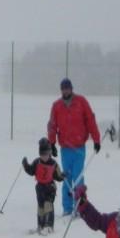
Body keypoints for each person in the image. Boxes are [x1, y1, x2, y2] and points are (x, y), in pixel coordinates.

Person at [47, 77, 101, 216]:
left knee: (78, 178)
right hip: (65, 148)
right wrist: (51, 143)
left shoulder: (81, 102)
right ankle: (67, 208)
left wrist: (96, 139)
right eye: (63, 89)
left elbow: (90, 120)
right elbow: (52, 125)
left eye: (68, 88)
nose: (66, 91)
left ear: (71, 88)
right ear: (61, 91)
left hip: (79, 147)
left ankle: (80, 207)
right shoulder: (56, 106)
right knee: (66, 178)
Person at [22, 137, 65, 234]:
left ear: (49, 153)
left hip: (50, 187)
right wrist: (25, 165)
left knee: (48, 205)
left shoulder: (53, 164)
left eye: (46, 154)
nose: (44, 157)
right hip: (40, 188)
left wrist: (62, 176)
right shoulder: (37, 162)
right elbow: (31, 171)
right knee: (41, 207)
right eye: (42, 154)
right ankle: (40, 225)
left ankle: (49, 226)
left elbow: (58, 176)